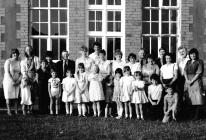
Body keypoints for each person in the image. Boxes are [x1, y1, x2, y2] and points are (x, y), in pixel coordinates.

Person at [184, 48, 204, 119]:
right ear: (189, 55)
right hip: (188, 81)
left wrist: (191, 81)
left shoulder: (199, 61)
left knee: (197, 98)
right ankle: (190, 115)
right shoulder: (188, 62)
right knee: (190, 97)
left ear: (196, 54)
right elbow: (185, 71)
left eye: (194, 54)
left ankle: (196, 116)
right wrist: (187, 80)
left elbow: (199, 73)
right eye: (191, 54)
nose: (193, 55)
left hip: (196, 81)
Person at [21, 45, 40, 113]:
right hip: (27, 77)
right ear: (25, 51)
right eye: (27, 49)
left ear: (32, 50)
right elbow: (23, 71)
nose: (28, 50)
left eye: (29, 49)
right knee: (27, 93)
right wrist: (27, 78)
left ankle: (31, 108)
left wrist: (35, 77)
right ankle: (27, 108)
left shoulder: (36, 58)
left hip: (34, 77)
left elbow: (38, 68)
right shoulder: (23, 61)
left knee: (33, 93)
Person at [3, 49, 22, 115]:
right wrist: (12, 81)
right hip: (8, 81)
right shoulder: (8, 61)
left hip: (17, 81)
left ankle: (16, 111)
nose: (15, 54)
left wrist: (18, 80)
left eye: (16, 53)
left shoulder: (19, 62)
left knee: (16, 96)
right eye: (14, 53)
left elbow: (21, 72)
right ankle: (9, 111)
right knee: (8, 96)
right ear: (11, 54)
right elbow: (7, 72)